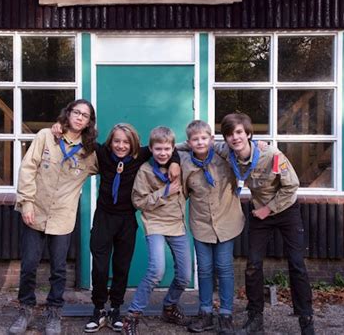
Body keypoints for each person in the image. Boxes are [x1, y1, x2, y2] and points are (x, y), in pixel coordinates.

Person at [51, 122, 180, 333]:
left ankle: (116, 309)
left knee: (122, 267)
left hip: (126, 221)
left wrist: (174, 162)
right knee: (100, 267)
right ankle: (99, 308)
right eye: (117, 141)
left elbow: (170, 147)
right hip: (104, 218)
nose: (121, 146)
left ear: (133, 144)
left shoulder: (140, 156)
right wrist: (60, 126)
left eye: (126, 142)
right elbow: (82, 135)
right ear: (110, 142)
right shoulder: (102, 153)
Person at [218, 113, 314, 335]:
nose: (235, 138)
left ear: (249, 134)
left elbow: (292, 185)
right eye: (230, 134)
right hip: (260, 214)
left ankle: (306, 320)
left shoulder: (271, 154)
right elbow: (198, 144)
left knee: (297, 264)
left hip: (286, 210)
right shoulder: (225, 152)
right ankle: (255, 319)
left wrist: (269, 208)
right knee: (253, 265)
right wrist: (172, 153)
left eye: (240, 132)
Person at [9, 99, 98, 335]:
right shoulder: (46, 136)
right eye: (76, 112)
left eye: (85, 115)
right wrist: (26, 202)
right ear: (67, 114)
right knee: (29, 265)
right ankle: (25, 310)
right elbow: (28, 168)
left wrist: (171, 158)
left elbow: (120, 158)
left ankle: (54, 313)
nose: (80, 117)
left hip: (62, 217)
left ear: (89, 122)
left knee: (58, 270)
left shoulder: (90, 151)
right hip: (35, 212)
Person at [121, 126, 191, 335]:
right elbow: (138, 201)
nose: (163, 153)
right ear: (150, 149)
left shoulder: (179, 164)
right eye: (158, 148)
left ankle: (169, 307)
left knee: (185, 276)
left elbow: (198, 144)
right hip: (155, 224)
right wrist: (165, 191)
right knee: (156, 271)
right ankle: (132, 316)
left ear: (172, 149)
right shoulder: (144, 171)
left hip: (177, 225)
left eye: (167, 149)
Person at [178, 120, 245, 335]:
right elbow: (170, 148)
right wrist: (183, 146)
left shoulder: (225, 158)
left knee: (224, 269)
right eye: (195, 139)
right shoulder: (185, 164)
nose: (200, 142)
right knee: (204, 270)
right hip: (202, 224)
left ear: (212, 140)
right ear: (189, 142)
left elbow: (242, 148)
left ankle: (225, 314)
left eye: (204, 138)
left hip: (227, 222)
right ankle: (205, 312)